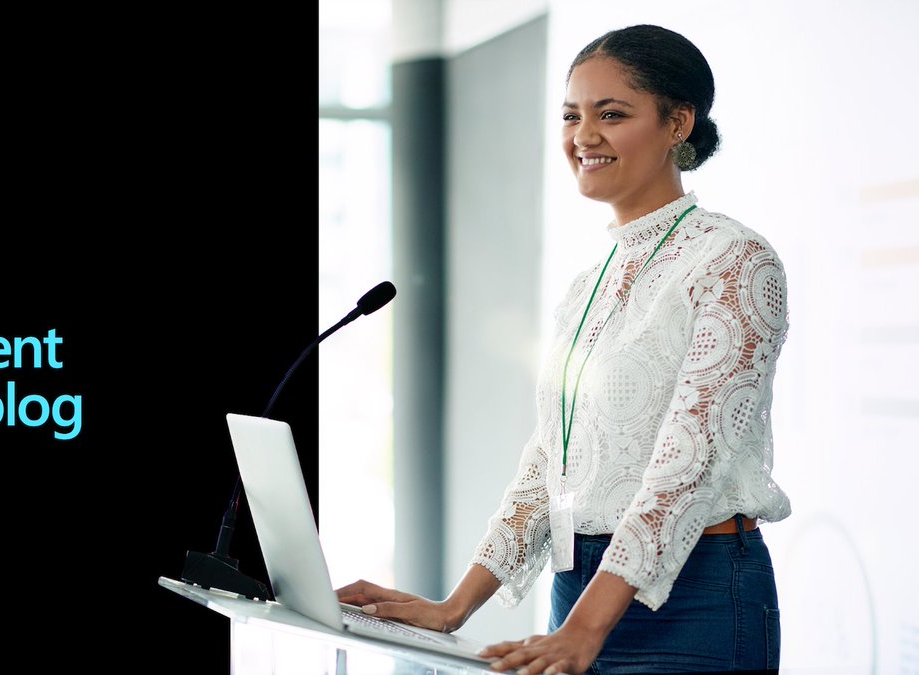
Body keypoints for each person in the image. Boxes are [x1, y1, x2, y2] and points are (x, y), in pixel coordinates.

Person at [337, 24, 790, 675]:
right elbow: (551, 459)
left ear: (677, 123)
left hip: (698, 602)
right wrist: (455, 605)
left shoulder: (735, 259)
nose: (584, 136)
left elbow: (688, 464)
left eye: (613, 114)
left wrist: (586, 628)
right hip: (576, 594)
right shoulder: (587, 285)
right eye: (572, 116)